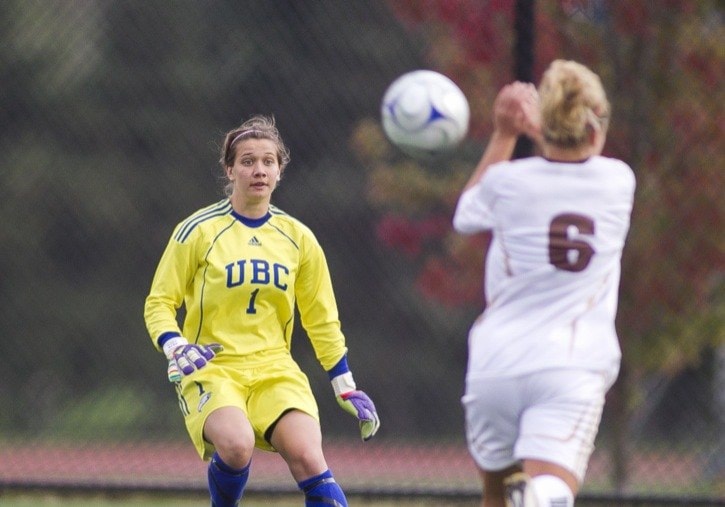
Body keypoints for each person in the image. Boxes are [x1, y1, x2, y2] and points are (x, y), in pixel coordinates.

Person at [144, 115, 380, 507]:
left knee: (308, 455)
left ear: (280, 171)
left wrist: (344, 383)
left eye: (268, 161)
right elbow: (159, 303)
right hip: (213, 367)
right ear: (230, 169)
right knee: (237, 445)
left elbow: (321, 318)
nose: (259, 170)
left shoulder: (299, 239)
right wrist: (175, 346)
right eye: (248, 161)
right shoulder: (197, 231)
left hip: (274, 370)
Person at [452, 60, 635, 507]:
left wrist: (505, 132)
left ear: (546, 124)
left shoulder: (507, 182)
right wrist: (541, 130)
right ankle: (538, 497)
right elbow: (575, 152)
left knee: (495, 494)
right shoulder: (618, 180)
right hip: (569, 365)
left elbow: (465, 216)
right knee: (550, 489)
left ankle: (526, 496)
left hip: (495, 362)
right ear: (595, 127)